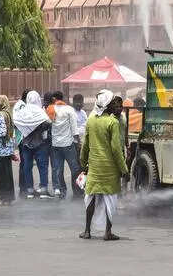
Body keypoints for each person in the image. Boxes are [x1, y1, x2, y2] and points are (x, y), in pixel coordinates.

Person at [79, 90, 130, 241]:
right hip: (110, 169)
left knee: (90, 197)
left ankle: (87, 231)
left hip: (94, 167)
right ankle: (107, 232)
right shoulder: (112, 122)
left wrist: (83, 164)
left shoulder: (91, 120)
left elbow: (85, 146)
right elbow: (116, 149)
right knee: (110, 200)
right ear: (108, 106)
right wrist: (124, 169)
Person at [14, 90, 52, 199]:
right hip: (40, 142)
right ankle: (43, 190)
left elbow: (16, 122)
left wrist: (27, 128)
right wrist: (37, 127)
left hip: (26, 143)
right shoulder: (40, 111)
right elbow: (48, 123)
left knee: (27, 166)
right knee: (42, 166)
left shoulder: (23, 111)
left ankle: (30, 191)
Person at [47, 91, 82, 199]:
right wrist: (78, 141)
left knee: (58, 169)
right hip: (68, 144)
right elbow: (74, 127)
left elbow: (48, 125)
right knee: (75, 168)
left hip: (56, 144)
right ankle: (77, 191)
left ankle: (62, 191)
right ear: (63, 98)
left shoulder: (50, 109)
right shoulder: (69, 109)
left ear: (54, 99)